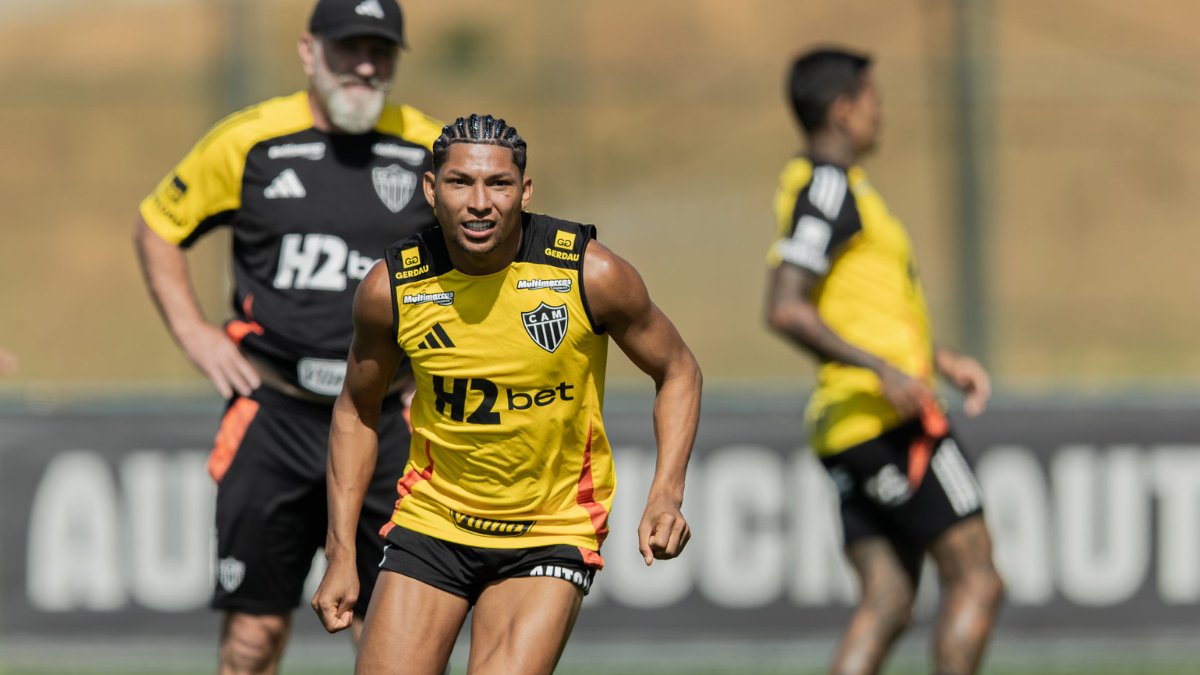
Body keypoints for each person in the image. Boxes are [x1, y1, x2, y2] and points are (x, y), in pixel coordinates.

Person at [311, 114, 702, 675]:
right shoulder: (391, 288)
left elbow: (679, 371)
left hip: (550, 530)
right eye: (459, 182)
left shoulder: (589, 274)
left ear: (524, 191)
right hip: (433, 523)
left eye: (498, 184)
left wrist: (667, 492)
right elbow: (356, 409)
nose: (479, 202)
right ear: (429, 189)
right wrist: (342, 551)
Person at [133, 1, 442, 672]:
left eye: (380, 50)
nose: (365, 64)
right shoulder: (250, 141)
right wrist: (195, 333)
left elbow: (489, 261)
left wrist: (442, 376)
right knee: (253, 637)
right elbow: (158, 226)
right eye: (348, 47)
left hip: (389, 422)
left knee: (391, 636)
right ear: (309, 51)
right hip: (273, 414)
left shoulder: (429, 151)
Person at [764, 48, 1004, 675]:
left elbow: (859, 304)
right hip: (885, 421)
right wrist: (885, 371)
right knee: (977, 580)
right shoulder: (827, 186)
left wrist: (935, 358)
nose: (882, 114)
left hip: (856, 421)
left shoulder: (845, 190)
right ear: (843, 110)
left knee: (890, 599)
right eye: (874, 101)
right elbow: (786, 307)